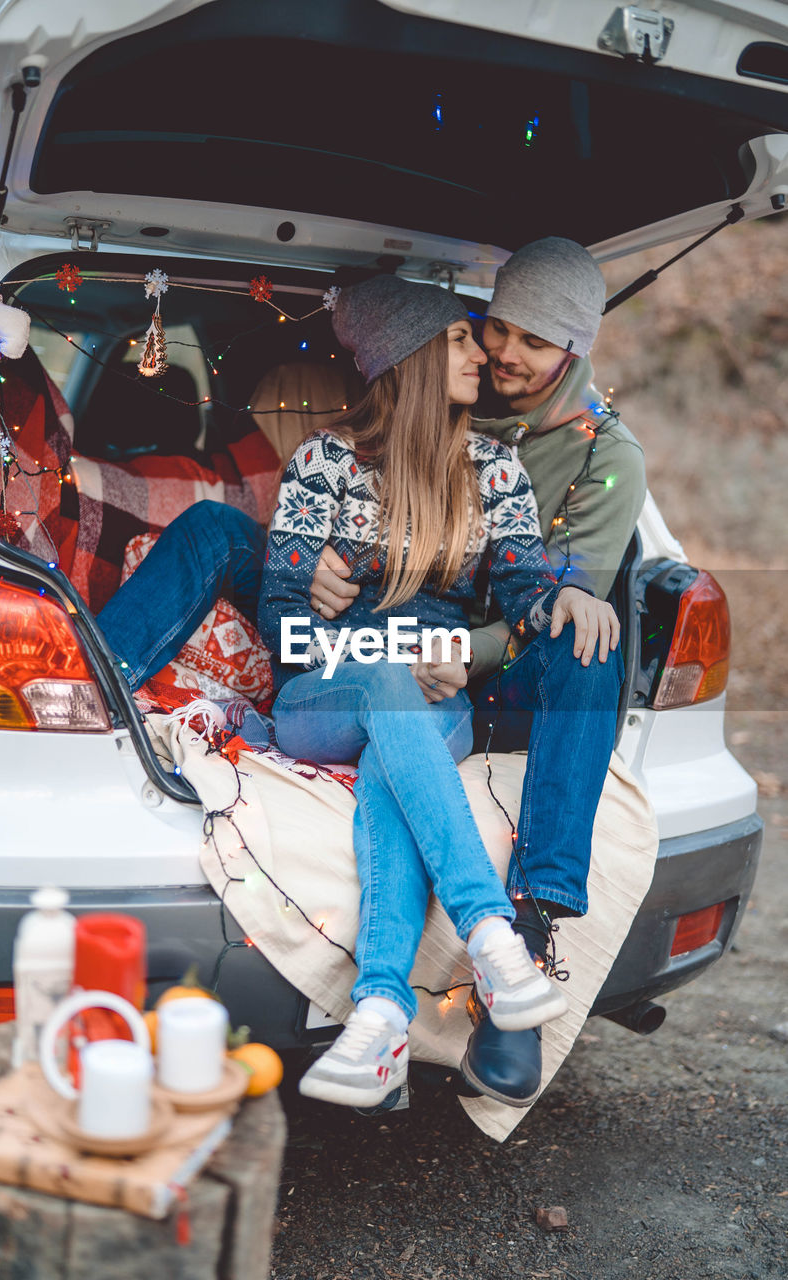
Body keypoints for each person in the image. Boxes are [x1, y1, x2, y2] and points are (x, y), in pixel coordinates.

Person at [254, 274, 618, 1107]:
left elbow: (526, 591)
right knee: (386, 677)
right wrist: (370, 639)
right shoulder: (322, 463)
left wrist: (559, 595)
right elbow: (283, 625)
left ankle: (378, 1013)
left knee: (397, 762)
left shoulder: (495, 471)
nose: (481, 353)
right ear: (410, 355)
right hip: (324, 698)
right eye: (459, 339)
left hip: (428, 709)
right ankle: (491, 933)